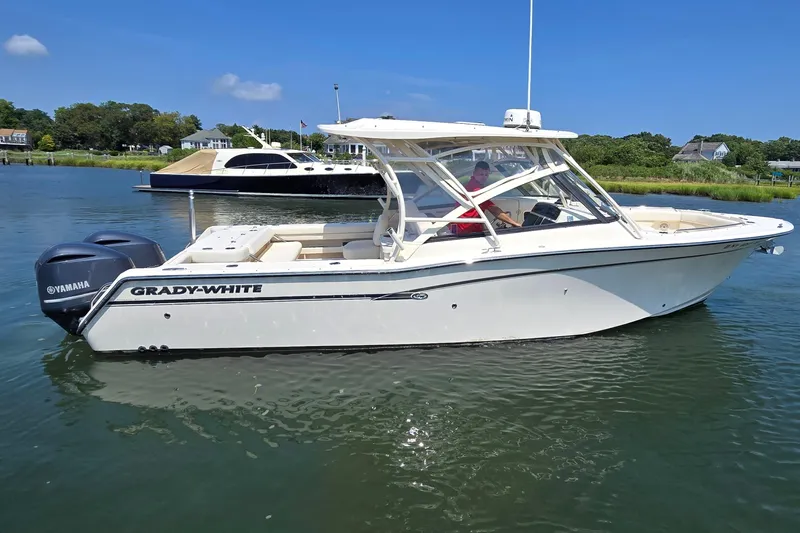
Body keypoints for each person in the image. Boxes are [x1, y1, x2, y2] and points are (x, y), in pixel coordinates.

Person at [450, 161, 521, 235]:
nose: (484, 177)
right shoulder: (476, 190)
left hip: (462, 226)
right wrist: (514, 223)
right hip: (465, 229)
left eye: (486, 174)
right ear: (474, 173)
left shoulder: (474, 185)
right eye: (481, 174)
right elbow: (494, 210)